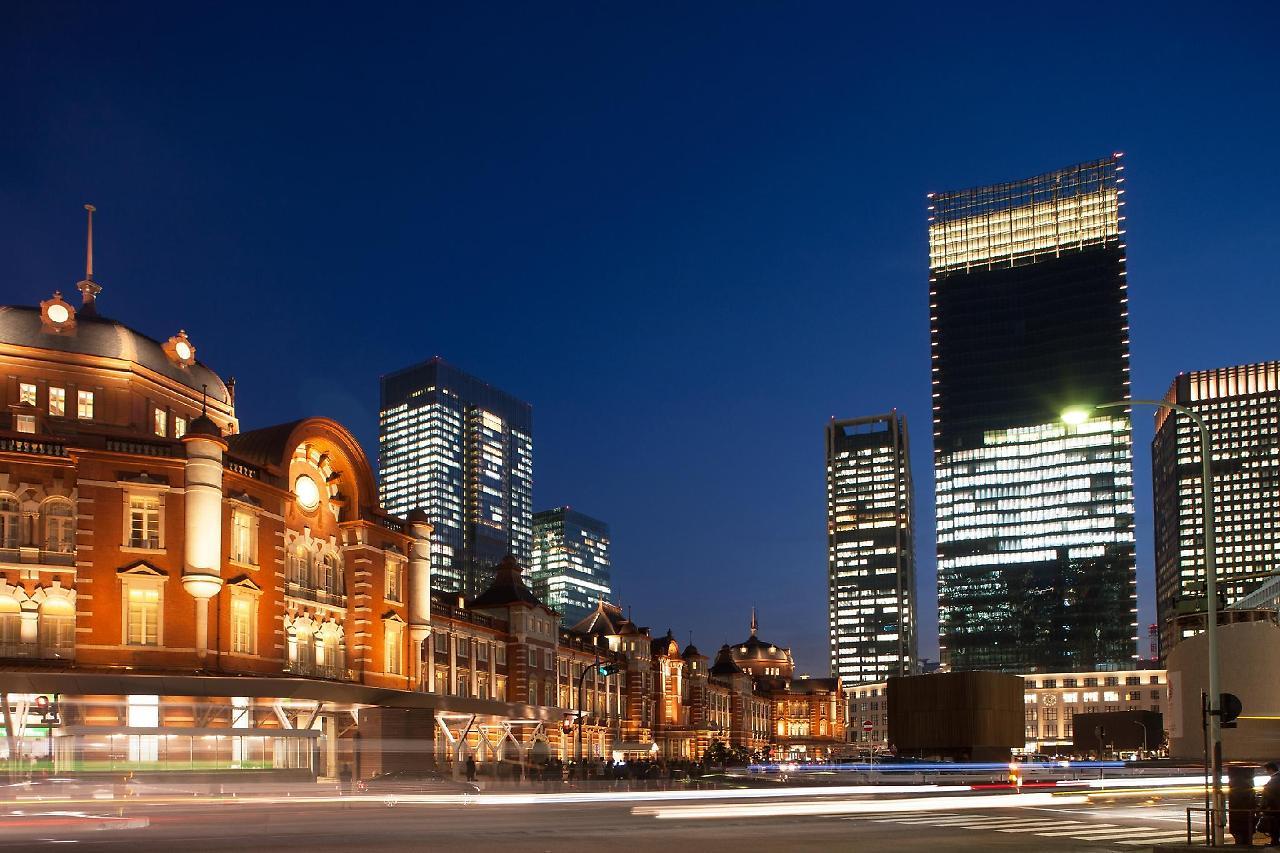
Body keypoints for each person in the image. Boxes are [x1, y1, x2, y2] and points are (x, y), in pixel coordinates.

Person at [1261, 761, 1280, 847]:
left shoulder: (1274, 780)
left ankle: (1275, 842)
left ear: (1270, 769)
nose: (1266, 772)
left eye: (1267, 770)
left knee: (1275, 826)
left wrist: (1262, 807)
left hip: (1275, 809)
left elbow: (1268, 797)